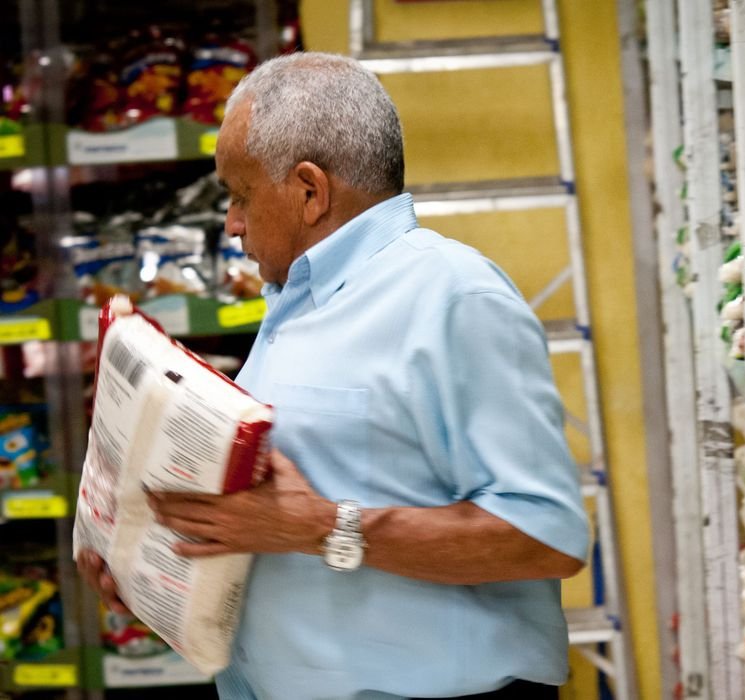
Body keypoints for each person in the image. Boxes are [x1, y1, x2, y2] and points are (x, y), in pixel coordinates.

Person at [77, 51, 591, 700]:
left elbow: (545, 538)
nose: (231, 224)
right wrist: (151, 566)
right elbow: (280, 524)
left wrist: (320, 527)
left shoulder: (451, 296)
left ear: (310, 191)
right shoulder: (293, 305)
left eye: (239, 196)